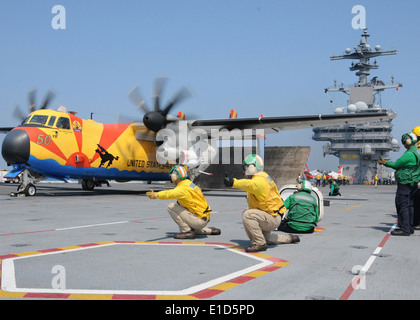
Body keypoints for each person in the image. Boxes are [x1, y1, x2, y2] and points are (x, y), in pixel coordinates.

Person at [224, 154, 300, 252]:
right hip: (270, 214)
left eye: (245, 167)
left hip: (271, 217)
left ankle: (260, 244)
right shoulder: (262, 177)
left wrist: (233, 182)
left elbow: (249, 184)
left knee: (247, 215)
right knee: (266, 238)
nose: (243, 170)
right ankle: (289, 238)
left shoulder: (258, 181)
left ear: (251, 167)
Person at [146, 165, 221, 239]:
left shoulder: (182, 188)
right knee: (181, 205)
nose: (171, 177)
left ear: (176, 176)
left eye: (172, 175)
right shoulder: (190, 184)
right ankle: (209, 231)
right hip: (204, 218)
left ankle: (187, 232)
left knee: (171, 207)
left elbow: (169, 193)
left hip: (199, 220)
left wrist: (156, 194)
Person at [378, 132, 420, 236]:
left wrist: (385, 163)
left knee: (402, 205)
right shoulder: (416, 152)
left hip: (405, 183)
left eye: (405, 140)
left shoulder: (409, 154)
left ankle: (404, 229)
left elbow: (396, 165)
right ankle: (409, 227)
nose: (404, 142)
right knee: (409, 205)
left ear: (409, 141)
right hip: (412, 183)